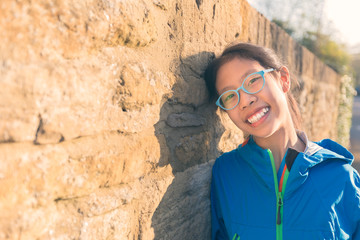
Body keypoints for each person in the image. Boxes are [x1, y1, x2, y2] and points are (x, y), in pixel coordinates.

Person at [204, 42, 360, 240]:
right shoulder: (225, 173)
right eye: (229, 96)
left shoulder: (341, 177)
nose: (245, 101)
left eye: (252, 80)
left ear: (283, 80)